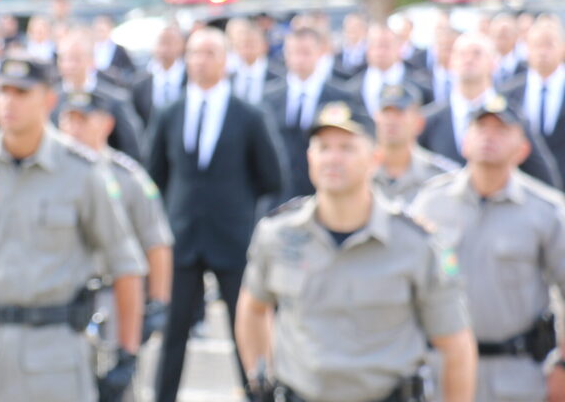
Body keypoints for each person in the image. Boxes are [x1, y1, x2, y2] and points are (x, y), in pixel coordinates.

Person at [0, 53, 146, 402]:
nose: (8, 102)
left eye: (21, 92)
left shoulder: (82, 172)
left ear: (48, 99)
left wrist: (127, 353)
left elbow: (125, 264)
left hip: (55, 354)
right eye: (2, 92)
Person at [235, 101, 477, 402]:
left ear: (375, 158)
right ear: (309, 157)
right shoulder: (279, 234)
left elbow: (455, 345)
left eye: (347, 148)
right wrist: (259, 380)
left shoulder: (416, 243)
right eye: (323, 147)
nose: (333, 159)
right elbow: (253, 307)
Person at [144, 28, 284, 402]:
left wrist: (235, 204)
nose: (199, 61)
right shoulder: (170, 112)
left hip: (232, 238)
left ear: (225, 60)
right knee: (173, 334)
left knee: (245, 331)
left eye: (208, 53)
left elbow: (272, 175)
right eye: (193, 53)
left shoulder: (248, 114)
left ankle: (258, 396)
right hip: (183, 237)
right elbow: (153, 173)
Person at [412, 95, 565, 402]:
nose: (489, 137)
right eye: (481, 128)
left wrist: (562, 367)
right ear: (465, 142)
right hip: (440, 372)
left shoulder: (546, 211)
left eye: (501, 130)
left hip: (517, 375)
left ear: (522, 149)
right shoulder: (430, 203)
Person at [57, 91, 173, 344]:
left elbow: (157, 241)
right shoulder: (48, 176)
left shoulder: (128, 178)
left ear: (106, 124)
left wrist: (158, 303)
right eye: (68, 120)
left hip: (112, 296)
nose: (73, 129)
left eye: (83, 120)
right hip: (59, 297)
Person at [419, 32, 561, 188]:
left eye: (477, 53)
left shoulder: (513, 118)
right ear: (451, 62)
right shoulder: (429, 119)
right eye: (461, 54)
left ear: (494, 63)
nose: (468, 59)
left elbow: (544, 179)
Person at [260, 27, 356, 200]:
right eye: (294, 52)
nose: (299, 59)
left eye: (306, 52)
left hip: (322, 193)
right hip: (279, 195)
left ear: (319, 53)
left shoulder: (341, 96)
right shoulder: (269, 98)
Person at [55, 29, 144, 161]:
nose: (69, 65)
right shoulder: (51, 99)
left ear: (92, 61)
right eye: (64, 59)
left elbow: (131, 150)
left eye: (76, 59)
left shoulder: (114, 99)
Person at [501, 16, 565, 185]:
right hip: (525, 187)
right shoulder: (508, 93)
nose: (543, 52)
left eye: (549, 45)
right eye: (537, 45)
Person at [371, 84, 459, 206]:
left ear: (419, 123)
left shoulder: (441, 176)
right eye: (386, 113)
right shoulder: (360, 170)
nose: (391, 120)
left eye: (399, 113)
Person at [343, 24, 432, 116]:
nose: (380, 52)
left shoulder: (421, 87)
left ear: (399, 47)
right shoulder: (351, 89)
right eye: (376, 46)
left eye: (386, 46)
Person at [131, 23, 186, 127]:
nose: (165, 48)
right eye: (161, 42)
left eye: (170, 42)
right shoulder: (140, 83)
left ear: (182, 45)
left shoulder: (190, 78)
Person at [93, 15, 135, 85]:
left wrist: (117, 73)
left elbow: (130, 70)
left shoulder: (119, 50)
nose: (100, 34)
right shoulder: (91, 49)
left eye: (102, 30)